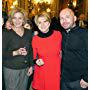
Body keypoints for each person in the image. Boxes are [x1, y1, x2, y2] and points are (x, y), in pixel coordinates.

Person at [2, 7, 33, 90]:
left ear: (23, 20)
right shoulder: (6, 33)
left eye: (20, 18)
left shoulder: (28, 32)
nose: (17, 21)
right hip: (11, 69)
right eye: (14, 18)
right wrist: (16, 52)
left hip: (25, 68)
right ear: (11, 19)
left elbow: (30, 50)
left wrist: (31, 66)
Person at [31, 12, 62, 90]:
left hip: (55, 71)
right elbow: (33, 56)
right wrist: (36, 61)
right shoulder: (35, 39)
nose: (42, 25)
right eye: (39, 22)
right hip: (42, 72)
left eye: (45, 21)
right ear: (37, 25)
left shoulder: (58, 35)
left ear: (49, 22)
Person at [59, 8, 88, 90]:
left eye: (67, 17)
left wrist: (87, 78)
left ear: (75, 18)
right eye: (61, 18)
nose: (64, 21)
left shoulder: (85, 34)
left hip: (79, 82)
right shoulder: (61, 34)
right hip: (64, 80)